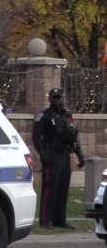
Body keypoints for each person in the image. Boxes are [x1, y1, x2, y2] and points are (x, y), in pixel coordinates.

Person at [33, 87, 84, 229]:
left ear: (62, 98)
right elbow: (36, 136)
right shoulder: (44, 115)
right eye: (54, 97)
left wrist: (80, 155)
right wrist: (42, 153)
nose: (57, 100)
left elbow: (73, 137)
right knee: (50, 187)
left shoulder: (68, 115)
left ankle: (59, 220)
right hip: (51, 153)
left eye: (59, 97)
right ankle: (45, 221)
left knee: (63, 187)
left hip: (65, 154)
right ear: (49, 98)